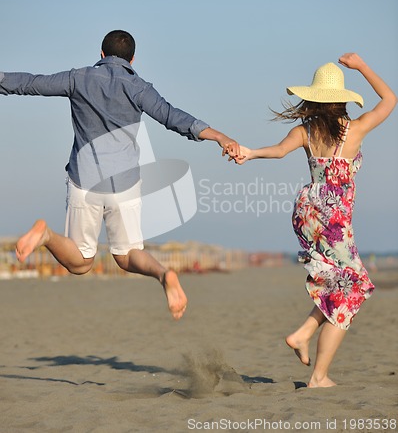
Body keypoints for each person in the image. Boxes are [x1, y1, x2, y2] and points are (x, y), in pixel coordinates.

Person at [0, 30, 240, 320]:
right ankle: (164, 275)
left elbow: (30, 83)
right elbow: (172, 116)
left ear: (101, 55)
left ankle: (46, 235)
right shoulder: (139, 86)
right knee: (127, 255)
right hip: (124, 186)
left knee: (80, 262)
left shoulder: (78, 77)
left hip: (84, 181)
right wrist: (219, 136)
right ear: (132, 59)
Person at [232, 53, 397, 387]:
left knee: (341, 285)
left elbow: (278, 152)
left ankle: (305, 335)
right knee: (354, 287)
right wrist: (362, 66)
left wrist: (248, 152)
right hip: (334, 213)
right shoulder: (357, 128)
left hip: (308, 208)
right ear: (341, 101)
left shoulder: (305, 131)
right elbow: (390, 98)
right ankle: (317, 373)